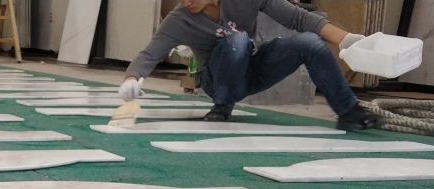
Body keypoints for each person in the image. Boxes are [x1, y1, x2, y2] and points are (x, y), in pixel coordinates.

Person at [119, 0, 381, 131]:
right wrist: (132, 79)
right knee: (237, 40)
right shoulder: (179, 20)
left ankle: (348, 110)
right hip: (215, 80)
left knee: (310, 43)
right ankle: (222, 106)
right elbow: (149, 54)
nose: (187, 1)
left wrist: (346, 39)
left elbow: (298, 18)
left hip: (250, 70)